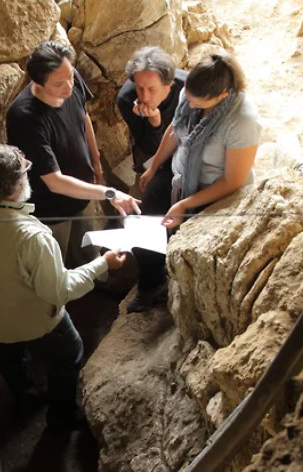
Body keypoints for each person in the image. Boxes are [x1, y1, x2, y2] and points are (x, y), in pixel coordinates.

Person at [0, 143, 128, 429]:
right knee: (70, 353)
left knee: (8, 355)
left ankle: (26, 399)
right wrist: (103, 263)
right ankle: (61, 417)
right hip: (36, 320)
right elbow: (60, 290)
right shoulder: (32, 237)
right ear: (17, 184)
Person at [133, 51, 261, 311]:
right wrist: (154, 167)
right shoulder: (190, 93)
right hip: (180, 175)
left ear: (222, 95)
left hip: (217, 190)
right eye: (188, 98)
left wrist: (185, 204)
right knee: (144, 222)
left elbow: (233, 180)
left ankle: (186, 298)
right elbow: (175, 129)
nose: (189, 104)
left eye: (197, 102)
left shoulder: (242, 121)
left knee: (193, 249)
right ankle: (151, 283)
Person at [7, 40, 140, 265]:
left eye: (69, 76)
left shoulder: (70, 76)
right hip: (52, 210)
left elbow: (83, 114)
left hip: (84, 192)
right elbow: (55, 182)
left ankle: (96, 278)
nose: (69, 86)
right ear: (38, 83)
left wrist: (95, 159)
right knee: (58, 266)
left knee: (88, 252)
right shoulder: (25, 118)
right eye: (59, 84)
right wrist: (109, 193)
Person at [115, 46, 188, 311]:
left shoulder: (187, 89)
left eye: (152, 89)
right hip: (157, 156)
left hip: (189, 153)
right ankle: (151, 282)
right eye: (139, 87)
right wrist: (155, 122)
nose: (144, 96)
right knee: (144, 216)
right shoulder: (127, 99)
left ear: (168, 84)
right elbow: (147, 144)